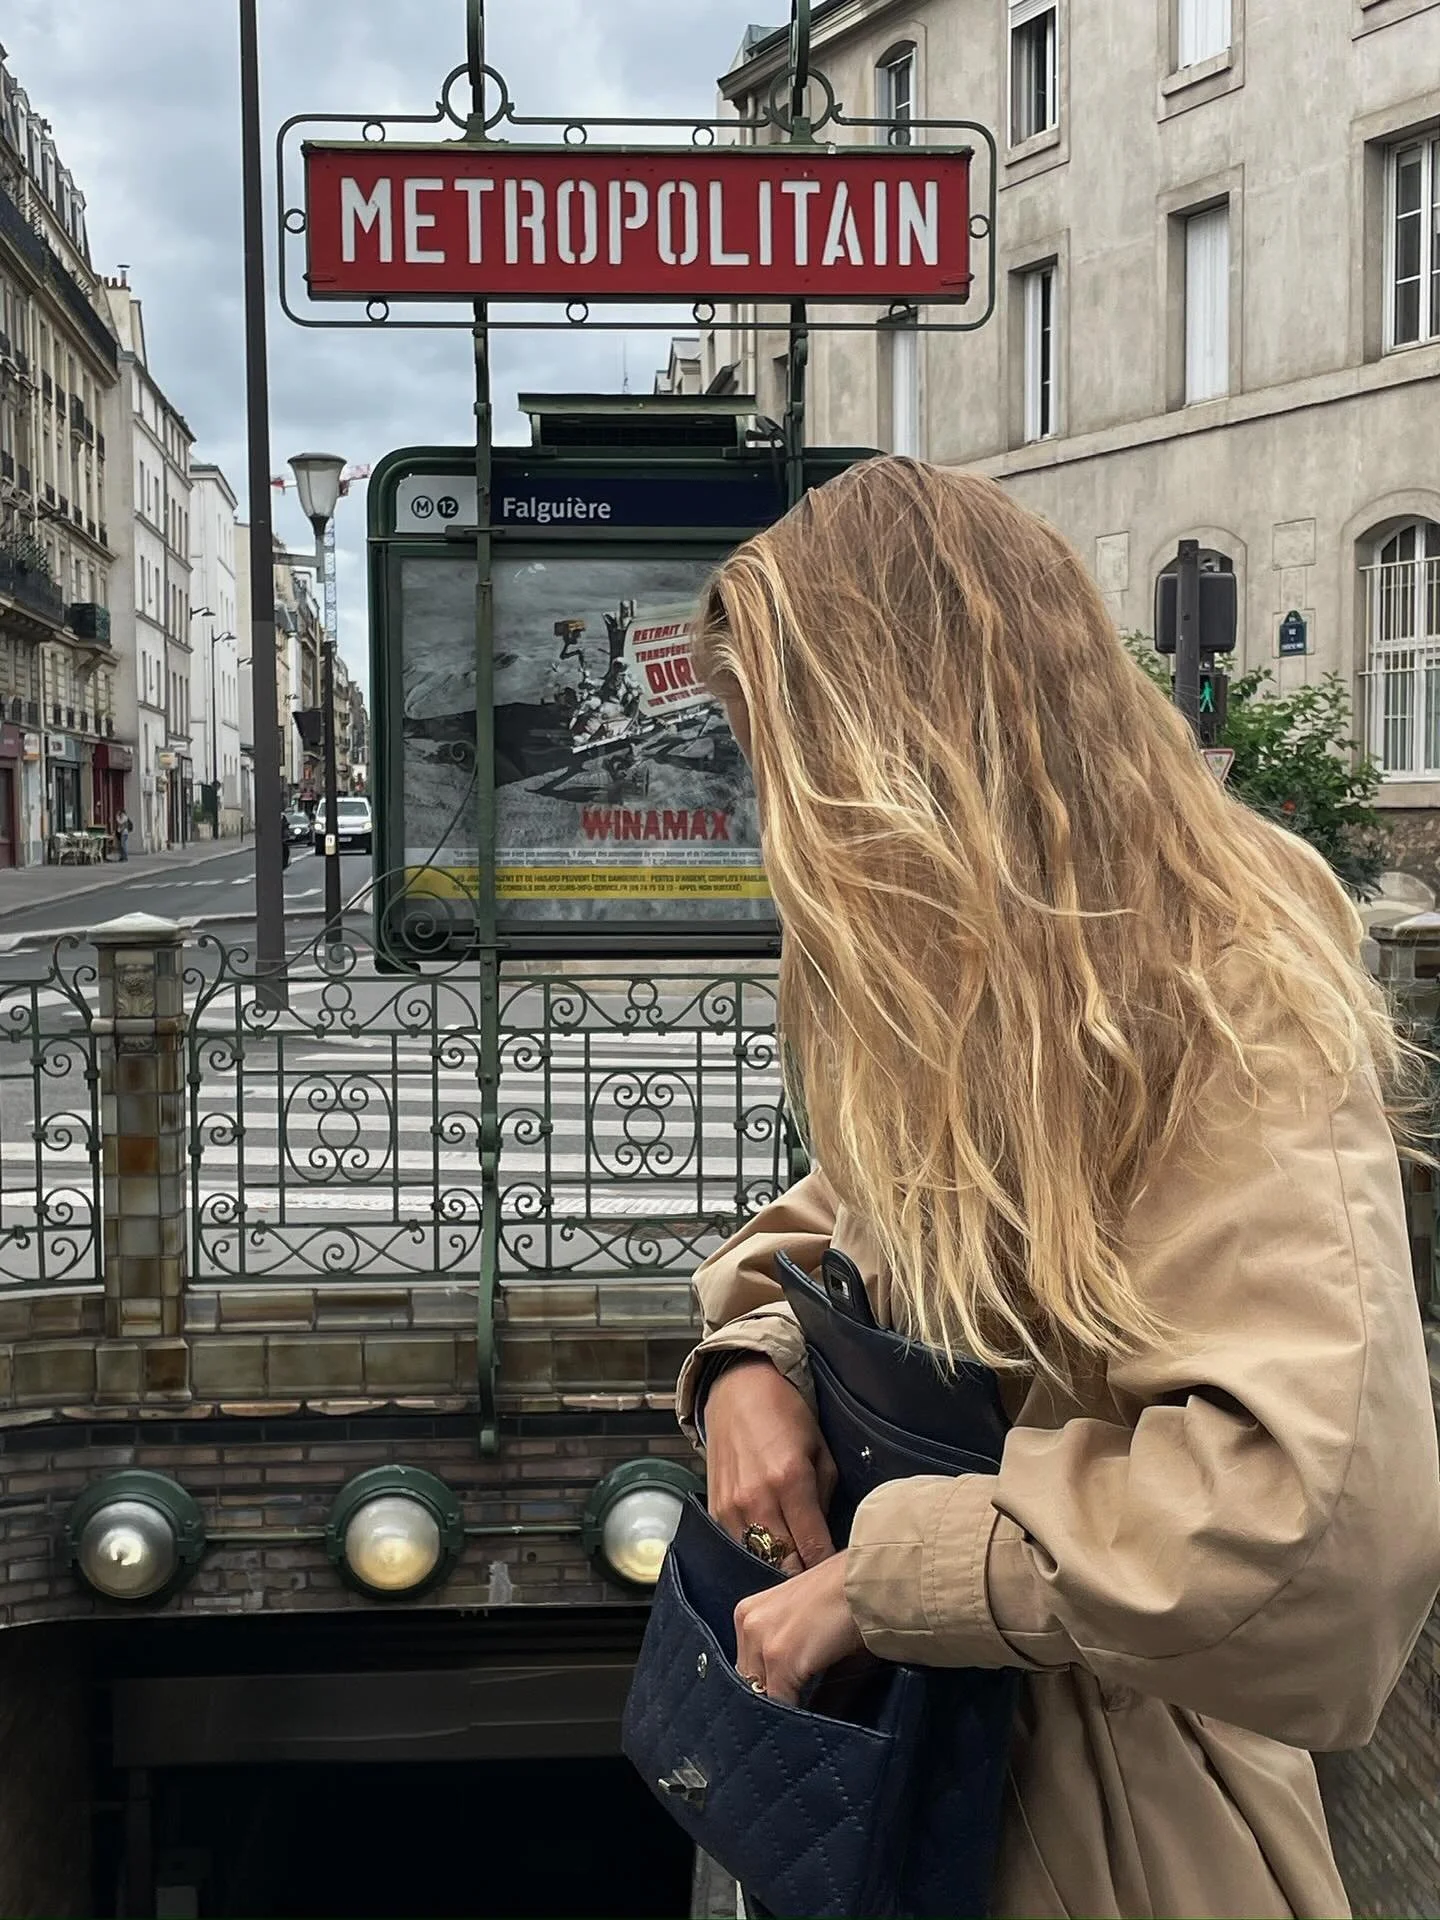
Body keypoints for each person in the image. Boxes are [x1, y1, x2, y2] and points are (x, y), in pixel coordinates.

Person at [677, 458, 1440, 1920]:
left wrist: (889, 1577)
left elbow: (1315, 1507)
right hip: (941, 1778)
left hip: (1119, 1836)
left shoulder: (1227, 991)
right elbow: (857, 1217)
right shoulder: (976, 974)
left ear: (897, 736)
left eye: (775, 745)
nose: (767, 804)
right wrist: (751, 1365)